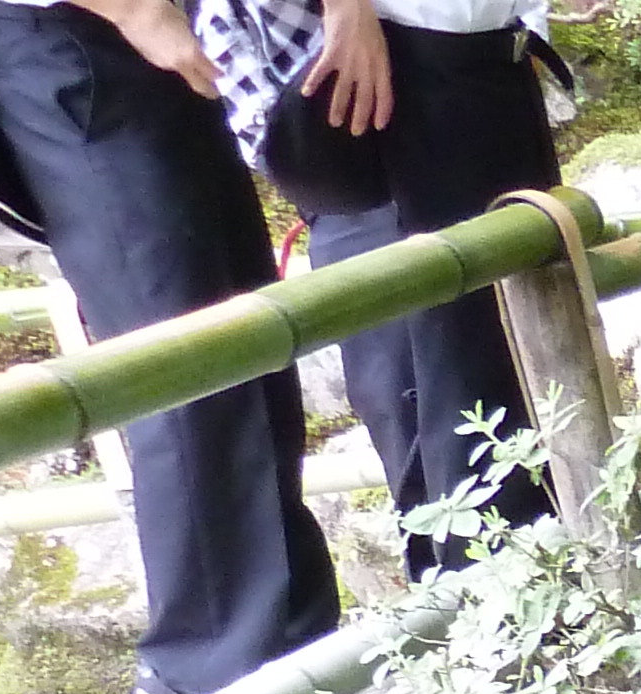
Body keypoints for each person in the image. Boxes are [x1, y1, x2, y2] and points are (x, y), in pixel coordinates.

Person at [0, 0, 340, 694]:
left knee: (247, 331)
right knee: (176, 351)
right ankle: (206, 670)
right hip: (77, 39)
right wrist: (139, 11)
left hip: (139, 44)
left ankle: (294, 634)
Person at [223, 0, 567, 574]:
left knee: (520, 381)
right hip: (382, 84)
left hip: (486, 67)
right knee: (429, 402)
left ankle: (551, 614)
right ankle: (474, 621)